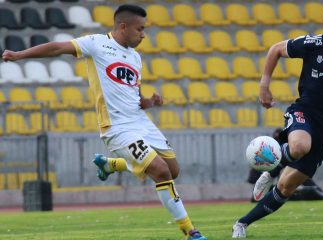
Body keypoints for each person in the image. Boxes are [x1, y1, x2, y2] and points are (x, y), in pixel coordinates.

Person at [2, 5, 207, 240]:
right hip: (117, 128)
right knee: (160, 171)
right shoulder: (96, 44)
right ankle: (190, 232)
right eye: (140, 29)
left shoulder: (135, 57)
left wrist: (149, 102)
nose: (143, 35)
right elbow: (58, 47)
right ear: (123, 26)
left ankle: (111, 165)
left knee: (173, 170)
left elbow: (135, 97)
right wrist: (19, 55)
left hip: (141, 122)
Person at [232, 0, 323, 238]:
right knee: (300, 146)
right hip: (303, 112)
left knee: (286, 187)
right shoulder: (311, 44)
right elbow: (275, 50)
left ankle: (241, 224)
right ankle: (270, 171)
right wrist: (264, 85)